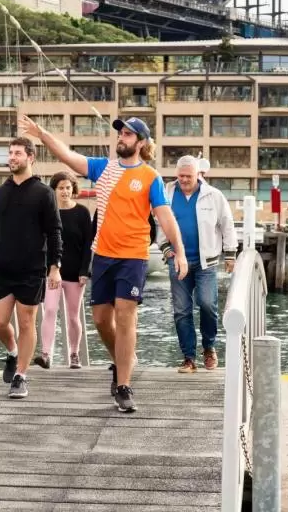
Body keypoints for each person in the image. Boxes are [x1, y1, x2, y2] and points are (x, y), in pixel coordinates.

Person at [19, 113, 187, 413]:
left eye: (128, 134)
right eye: (120, 133)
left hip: (134, 256)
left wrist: (180, 251)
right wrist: (41, 134)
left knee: (125, 316)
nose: (121, 137)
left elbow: (164, 215)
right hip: (104, 255)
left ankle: (123, 385)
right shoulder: (105, 169)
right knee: (100, 320)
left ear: (141, 143)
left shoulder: (150, 177)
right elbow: (69, 157)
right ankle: (124, 359)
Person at [0, 137, 63, 400]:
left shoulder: (43, 193)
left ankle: (21, 376)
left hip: (32, 269)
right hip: (2, 268)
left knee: (27, 321)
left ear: (31, 157)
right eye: (10, 153)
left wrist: (55, 266)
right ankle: (13, 351)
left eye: (17, 153)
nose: (12, 157)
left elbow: (54, 232)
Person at [155, 156, 238, 372]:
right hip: (178, 261)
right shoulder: (167, 193)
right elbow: (159, 223)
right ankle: (189, 358)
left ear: (198, 174)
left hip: (206, 262)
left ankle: (209, 347)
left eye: (188, 176)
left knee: (208, 304)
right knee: (182, 310)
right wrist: (166, 249)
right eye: (180, 176)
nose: (183, 180)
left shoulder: (214, 196)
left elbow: (227, 224)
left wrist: (230, 254)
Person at [34, 171, 93, 370]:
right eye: (61, 188)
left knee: (73, 316)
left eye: (68, 187)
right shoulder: (48, 213)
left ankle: (74, 354)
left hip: (76, 273)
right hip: (52, 271)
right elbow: (42, 242)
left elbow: (88, 245)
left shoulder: (83, 213)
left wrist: (85, 270)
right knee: (49, 310)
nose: (65, 191)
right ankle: (46, 354)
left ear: (73, 189)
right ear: (54, 190)